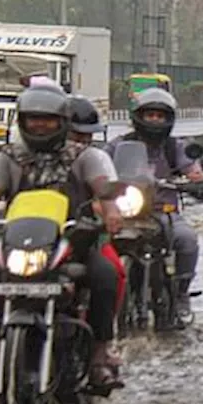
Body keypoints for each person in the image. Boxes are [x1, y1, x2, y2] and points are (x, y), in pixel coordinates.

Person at [0, 85, 126, 395]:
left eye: (47, 120)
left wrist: (111, 212)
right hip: (16, 246)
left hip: (71, 245)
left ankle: (100, 357)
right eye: (33, 119)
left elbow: (104, 188)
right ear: (22, 121)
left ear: (62, 122)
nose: (40, 126)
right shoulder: (8, 158)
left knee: (105, 274)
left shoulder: (86, 156)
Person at [105, 88, 203, 324]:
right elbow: (100, 168)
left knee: (186, 239)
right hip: (125, 211)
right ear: (138, 116)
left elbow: (193, 169)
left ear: (168, 119)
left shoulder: (174, 147)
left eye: (160, 116)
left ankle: (181, 294)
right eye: (149, 115)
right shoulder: (118, 145)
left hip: (163, 211)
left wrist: (196, 178)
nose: (154, 120)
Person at [68, 95, 127, 322]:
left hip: (81, 235)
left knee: (113, 273)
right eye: (75, 135)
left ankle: (103, 340)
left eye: (87, 136)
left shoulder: (96, 158)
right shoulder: (20, 156)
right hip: (32, 239)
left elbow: (107, 193)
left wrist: (110, 212)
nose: (81, 142)